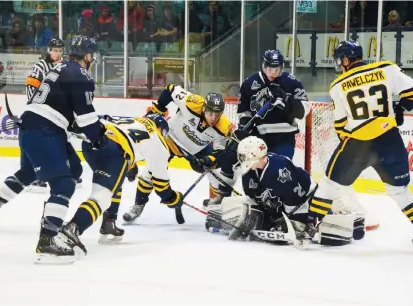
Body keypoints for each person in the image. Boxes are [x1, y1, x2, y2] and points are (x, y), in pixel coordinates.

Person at [0, 35, 105, 263]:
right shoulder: (81, 75)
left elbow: (67, 110)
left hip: (31, 126)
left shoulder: (59, 67)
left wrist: (85, 127)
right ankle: (47, 240)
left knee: (38, 172)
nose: (92, 58)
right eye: (92, 54)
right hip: (45, 130)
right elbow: (86, 119)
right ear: (87, 55)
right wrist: (99, 137)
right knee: (64, 183)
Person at [302, 41, 413, 247]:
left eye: (340, 61)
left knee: (329, 186)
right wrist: (400, 110)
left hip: (358, 144)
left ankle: (308, 228)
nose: (340, 65)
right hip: (390, 140)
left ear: (346, 60)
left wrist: (349, 150)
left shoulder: (338, 85)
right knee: (400, 192)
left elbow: (340, 125)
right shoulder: (386, 68)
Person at [203, 49, 310, 229]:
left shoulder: (292, 83)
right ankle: (223, 195)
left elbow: (303, 111)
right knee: (232, 158)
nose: (272, 74)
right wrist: (245, 128)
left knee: (276, 175)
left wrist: (285, 98)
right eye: (269, 69)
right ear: (263, 65)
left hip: (283, 138)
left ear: (281, 68)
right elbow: (244, 112)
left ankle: (279, 212)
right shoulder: (249, 83)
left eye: (276, 70)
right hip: (256, 139)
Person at [61, 114, 183, 252]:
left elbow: (102, 121)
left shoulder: (133, 120)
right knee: (102, 195)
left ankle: (109, 222)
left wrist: (129, 167)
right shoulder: (159, 140)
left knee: (114, 184)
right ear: (163, 130)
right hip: (113, 152)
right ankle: (73, 228)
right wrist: (174, 199)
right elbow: (161, 187)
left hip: (91, 144)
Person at [216, 136, 362, 247]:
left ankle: (352, 221)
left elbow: (295, 199)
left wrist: (295, 223)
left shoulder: (279, 170)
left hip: (308, 200)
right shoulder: (249, 173)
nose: (243, 161)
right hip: (283, 204)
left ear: (255, 154)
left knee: (330, 233)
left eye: (245, 157)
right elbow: (253, 196)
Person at [122, 85, 233, 224]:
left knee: (216, 175)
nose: (213, 118)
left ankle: (216, 209)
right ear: (204, 108)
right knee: (150, 172)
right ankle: (138, 206)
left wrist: (209, 160)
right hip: (169, 139)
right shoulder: (192, 103)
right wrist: (160, 108)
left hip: (197, 149)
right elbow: (171, 88)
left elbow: (221, 150)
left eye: (217, 115)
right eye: (210, 114)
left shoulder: (223, 127)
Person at [0, 38, 82, 209]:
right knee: (51, 169)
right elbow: (30, 89)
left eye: (60, 50)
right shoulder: (40, 66)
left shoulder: (63, 67)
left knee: (27, 171)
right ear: (48, 50)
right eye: (54, 50)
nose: (57, 53)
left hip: (44, 123)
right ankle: (54, 203)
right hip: (41, 121)